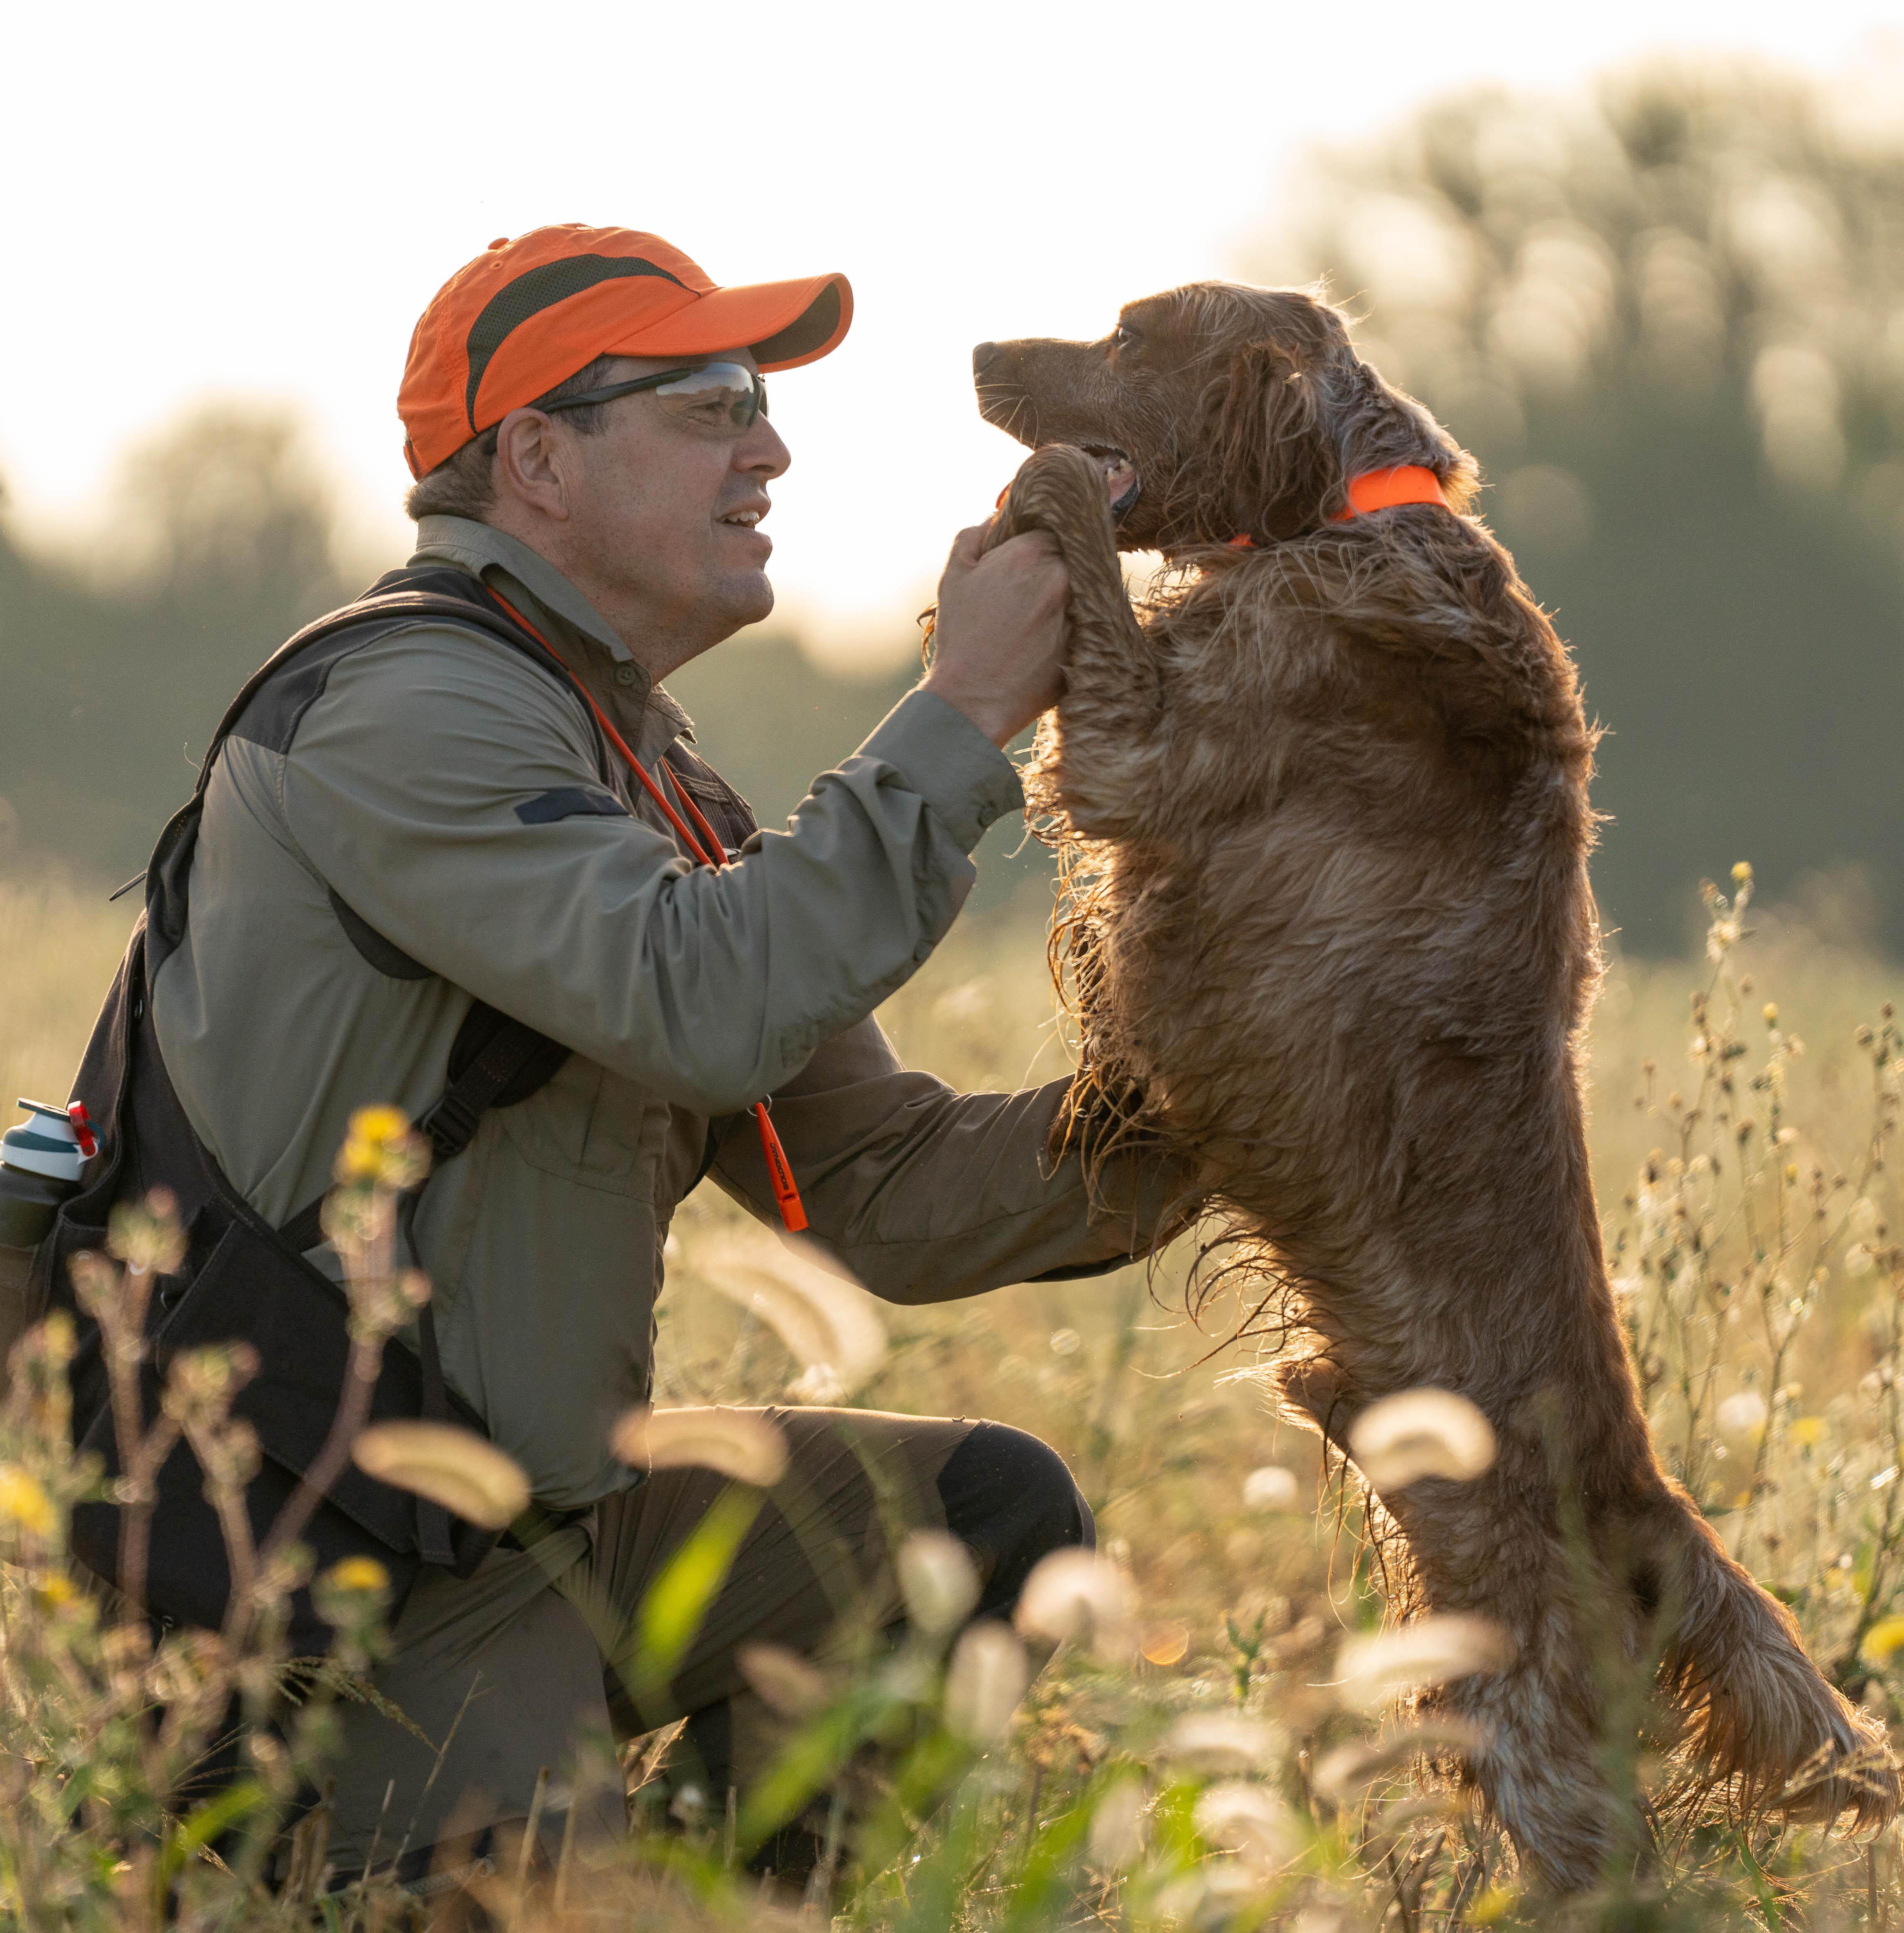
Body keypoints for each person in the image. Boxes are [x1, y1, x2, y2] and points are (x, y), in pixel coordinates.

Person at [150, 224, 1186, 1890]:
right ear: (539, 459)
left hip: (543, 1532)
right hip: (343, 1573)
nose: (770, 447)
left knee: (978, 1521)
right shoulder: (403, 706)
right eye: (709, 405)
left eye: (762, 403)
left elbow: (884, 1188)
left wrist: (1248, 1101)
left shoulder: (633, 758)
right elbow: (701, 996)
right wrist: (965, 711)